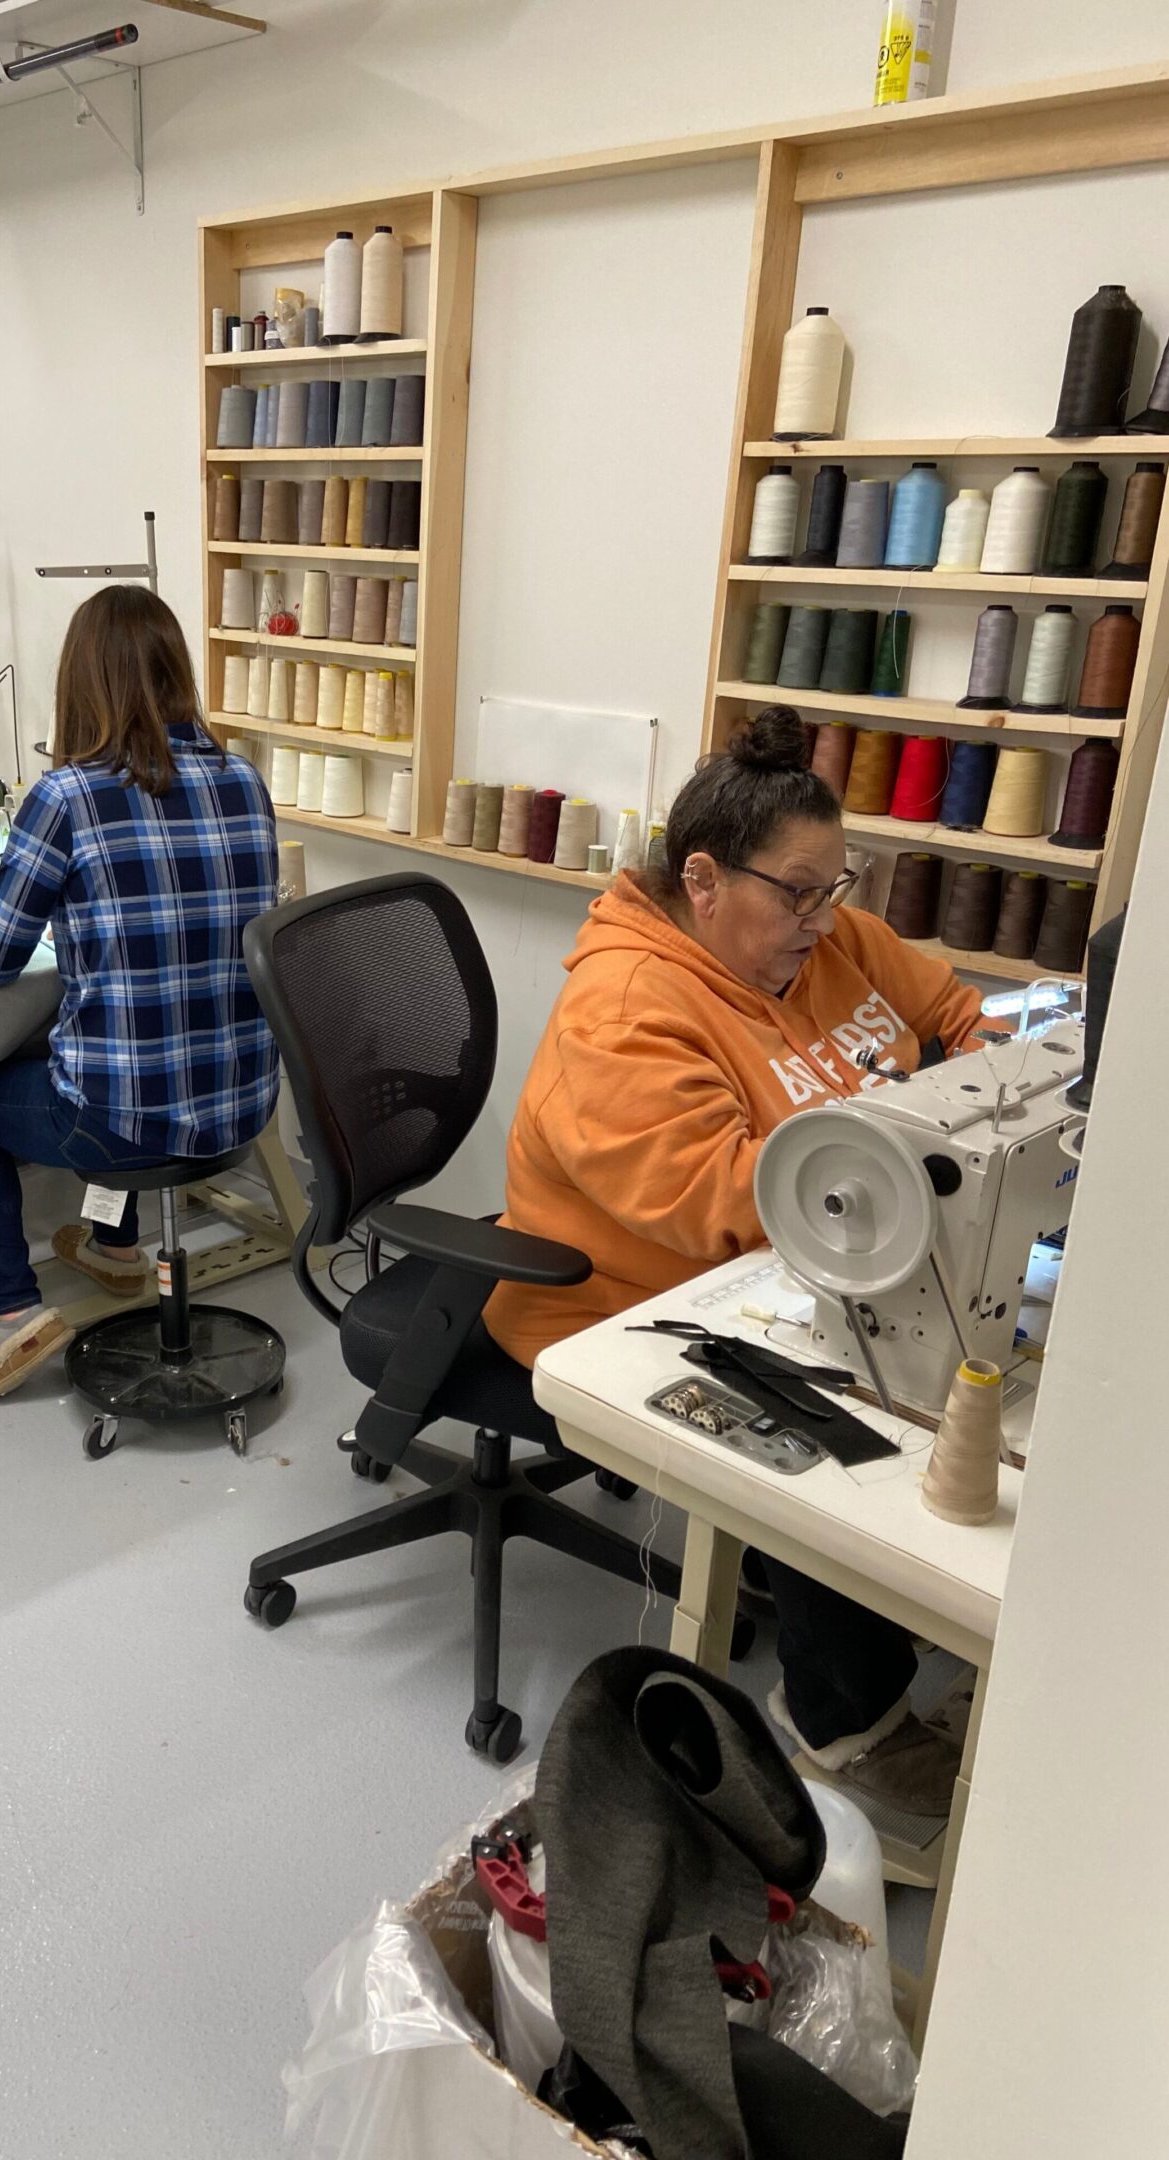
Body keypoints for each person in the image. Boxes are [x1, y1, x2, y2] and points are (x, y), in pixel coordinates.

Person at [486, 707, 982, 1818]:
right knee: (846, 1425)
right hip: (625, 1309)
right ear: (703, 882)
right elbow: (723, 1204)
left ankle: (876, 1609)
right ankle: (842, 1722)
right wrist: (916, 1171)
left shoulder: (829, 942)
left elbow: (953, 1014)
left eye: (835, 885)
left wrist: (976, 1110)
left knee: (953, 1366)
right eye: (799, 893)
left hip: (796, 1265)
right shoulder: (623, 1011)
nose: (823, 918)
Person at [0, 586, 279, 1404]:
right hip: (241, 1107)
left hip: (124, 1122)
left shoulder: (70, 797)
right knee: (117, 1040)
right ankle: (115, 1246)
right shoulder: (245, 780)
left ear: (80, 683)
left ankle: (15, 1311)